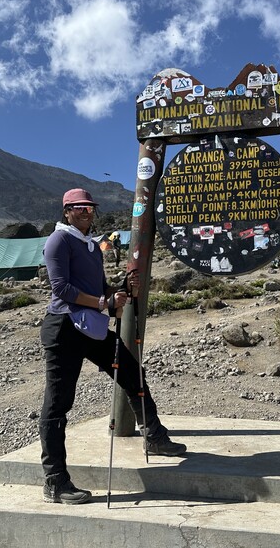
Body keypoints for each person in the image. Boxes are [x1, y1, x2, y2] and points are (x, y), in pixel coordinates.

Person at [39, 188, 186, 505]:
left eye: (90, 208)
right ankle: (55, 481)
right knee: (58, 404)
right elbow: (62, 288)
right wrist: (104, 301)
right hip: (63, 328)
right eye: (79, 209)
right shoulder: (59, 241)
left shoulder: (91, 246)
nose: (86, 213)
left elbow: (98, 288)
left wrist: (117, 290)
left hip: (90, 325)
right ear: (66, 211)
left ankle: (154, 436)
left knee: (132, 372)